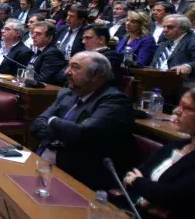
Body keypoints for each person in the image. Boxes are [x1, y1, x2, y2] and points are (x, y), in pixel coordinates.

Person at [30, 51, 135, 191]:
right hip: (43, 162)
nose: (67, 72)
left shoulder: (114, 101)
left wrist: (53, 122)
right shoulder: (67, 93)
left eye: (75, 67)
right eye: (69, 66)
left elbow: (83, 134)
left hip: (78, 176)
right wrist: (56, 131)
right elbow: (37, 123)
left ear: (96, 74)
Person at [123, 86, 195, 219]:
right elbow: (132, 175)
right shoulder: (177, 145)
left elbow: (171, 197)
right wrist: (143, 198)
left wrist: (138, 183)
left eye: (185, 107)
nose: (176, 111)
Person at [150, 14, 195, 80]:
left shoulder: (192, 40)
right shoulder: (164, 43)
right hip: (155, 78)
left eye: (170, 27)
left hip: (180, 82)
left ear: (183, 28)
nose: (165, 30)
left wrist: (188, 66)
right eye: (164, 27)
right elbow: (153, 65)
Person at [27, 21, 67, 85]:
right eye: (33, 33)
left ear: (49, 38)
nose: (33, 36)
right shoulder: (40, 51)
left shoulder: (53, 53)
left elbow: (44, 80)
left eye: (38, 34)